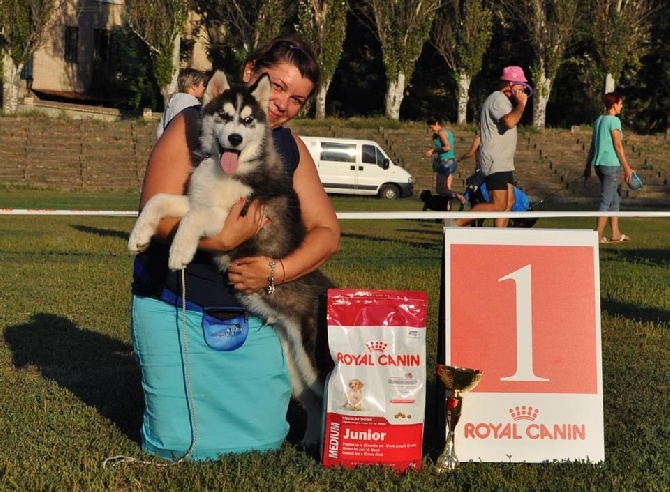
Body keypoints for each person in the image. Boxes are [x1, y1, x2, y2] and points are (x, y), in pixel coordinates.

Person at [131, 35, 341, 461]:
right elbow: (174, 213)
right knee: (176, 444)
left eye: (297, 99)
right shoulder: (191, 125)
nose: (282, 104)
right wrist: (224, 239)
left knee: (262, 439)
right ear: (251, 74)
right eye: (276, 87)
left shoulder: (290, 148)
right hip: (180, 300)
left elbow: (327, 232)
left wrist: (277, 273)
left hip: (257, 304)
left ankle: (341, 426)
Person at [455, 66, 531, 227]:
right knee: (498, 205)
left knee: (509, 202)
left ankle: (498, 240)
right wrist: (522, 105)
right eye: (521, 84)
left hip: (504, 162)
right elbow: (509, 122)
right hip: (495, 161)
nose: (524, 88)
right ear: (510, 83)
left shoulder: (503, 101)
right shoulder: (498, 100)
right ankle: (454, 225)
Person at [583, 91, 635, 243]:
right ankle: (598, 235)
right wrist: (627, 168)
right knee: (606, 200)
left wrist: (587, 166)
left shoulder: (599, 120)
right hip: (611, 164)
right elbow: (618, 146)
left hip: (599, 165)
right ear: (613, 104)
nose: (622, 106)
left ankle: (616, 234)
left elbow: (593, 146)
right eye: (620, 103)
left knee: (615, 198)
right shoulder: (614, 121)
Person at [425, 118, 464, 209]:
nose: (432, 130)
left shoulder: (441, 133)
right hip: (452, 162)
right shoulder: (448, 133)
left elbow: (447, 147)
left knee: (440, 189)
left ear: (437, 123)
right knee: (447, 190)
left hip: (446, 163)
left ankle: (459, 197)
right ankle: (447, 213)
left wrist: (433, 151)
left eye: (432, 127)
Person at [156, 68, 206, 138]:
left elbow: (160, 131)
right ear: (193, 86)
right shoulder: (194, 106)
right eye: (202, 84)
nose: (203, 88)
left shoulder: (171, 104)